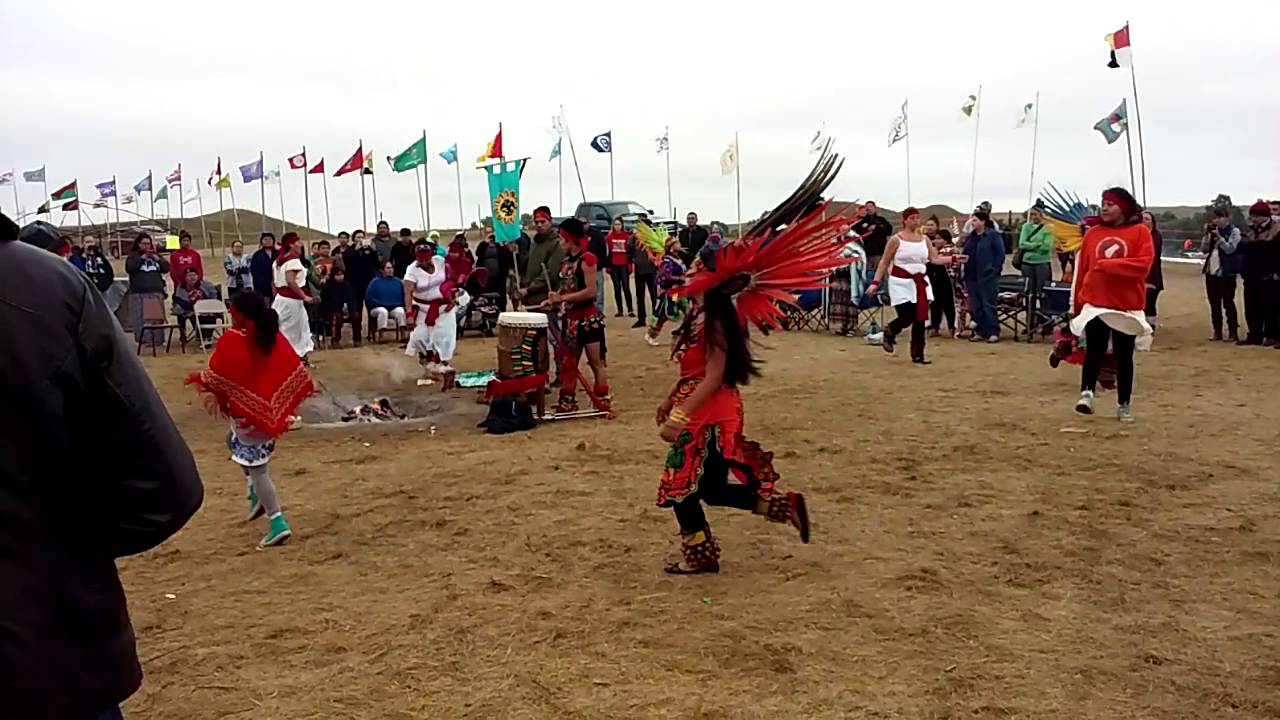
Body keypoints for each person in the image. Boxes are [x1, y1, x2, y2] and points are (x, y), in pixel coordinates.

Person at [1, 211, 202, 718]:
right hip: (47, 651)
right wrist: (62, 546)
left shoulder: (44, 285)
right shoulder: (45, 286)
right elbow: (166, 486)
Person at [653, 205, 849, 575]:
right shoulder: (698, 314)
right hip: (701, 405)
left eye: (697, 266)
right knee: (710, 488)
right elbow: (693, 370)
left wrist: (679, 415)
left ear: (711, 278)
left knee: (681, 485)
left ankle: (700, 555)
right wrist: (669, 398)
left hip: (709, 411)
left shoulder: (715, 319)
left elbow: (713, 376)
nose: (690, 269)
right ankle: (782, 507)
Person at [187, 290, 312, 549]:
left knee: (258, 470)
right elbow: (291, 368)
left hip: (249, 419)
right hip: (268, 416)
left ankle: (277, 522)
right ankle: (255, 491)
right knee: (231, 441)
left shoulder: (234, 340)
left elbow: (214, 376)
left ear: (239, 315)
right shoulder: (271, 335)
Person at [1070, 187, 1154, 422]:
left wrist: (1108, 266)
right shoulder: (1093, 234)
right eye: (1103, 203)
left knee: (1123, 355)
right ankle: (1086, 393)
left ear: (1123, 207)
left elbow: (1142, 266)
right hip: (1096, 301)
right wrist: (1078, 306)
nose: (1104, 208)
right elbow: (1083, 270)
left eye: (1110, 204)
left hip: (1125, 304)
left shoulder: (1140, 232)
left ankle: (1123, 404)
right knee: (1094, 350)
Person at [868, 208, 964, 364]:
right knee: (907, 315)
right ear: (905, 220)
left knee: (920, 318)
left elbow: (934, 259)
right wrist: (875, 282)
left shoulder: (924, 240)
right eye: (912, 218)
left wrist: (953, 259)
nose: (915, 221)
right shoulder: (896, 240)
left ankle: (918, 353)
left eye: (917, 218)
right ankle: (891, 330)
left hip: (920, 282)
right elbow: (884, 261)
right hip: (901, 282)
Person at [545, 218, 609, 413]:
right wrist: (554, 299)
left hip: (588, 319)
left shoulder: (588, 260)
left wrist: (562, 298)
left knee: (596, 363)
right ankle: (567, 401)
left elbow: (591, 292)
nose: (559, 243)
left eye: (561, 239)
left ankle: (602, 400)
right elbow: (566, 288)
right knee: (569, 364)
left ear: (569, 238)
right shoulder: (566, 263)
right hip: (571, 320)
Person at [405, 239, 460, 376]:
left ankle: (442, 362)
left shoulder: (440, 261)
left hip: (444, 307)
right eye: (421, 260)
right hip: (423, 308)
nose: (424, 262)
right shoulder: (411, 270)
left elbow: (454, 275)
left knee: (444, 335)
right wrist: (409, 314)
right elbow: (408, 294)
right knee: (419, 336)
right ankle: (426, 358)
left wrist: (453, 294)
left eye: (427, 259)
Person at [1238, 200, 1280, 346]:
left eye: (1256, 216)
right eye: (1252, 216)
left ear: (1265, 216)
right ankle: (1254, 335)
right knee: (1251, 306)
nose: (1253, 219)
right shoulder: (1249, 230)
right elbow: (1241, 249)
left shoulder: (1276, 230)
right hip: (1251, 275)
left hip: (1269, 275)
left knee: (1270, 307)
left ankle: (1272, 335)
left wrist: (1276, 272)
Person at [270, 232, 316, 360]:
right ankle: (293, 357)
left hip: (281, 299)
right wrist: (304, 296)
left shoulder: (277, 261)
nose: (301, 244)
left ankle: (289, 356)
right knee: (293, 330)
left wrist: (276, 297)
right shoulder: (293, 261)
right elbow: (290, 281)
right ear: (291, 244)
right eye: (298, 242)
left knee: (285, 327)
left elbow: (274, 282)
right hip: (291, 301)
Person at [962, 210, 1005, 343]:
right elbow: (966, 251)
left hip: (987, 276)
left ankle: (993, 331)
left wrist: (994, 270)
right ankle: (980, 331)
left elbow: (1000, 254)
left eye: (975, 220)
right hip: (971, 275)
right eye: (972, 220)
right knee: (976, 305)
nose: (972, 223)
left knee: (988, 304)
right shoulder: (971, 237)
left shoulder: (993, 236)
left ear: (983, 221)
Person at [1201, 207, 1242, 342]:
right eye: (1215, 218)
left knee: (1228, 302)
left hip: (1227, 272)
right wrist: (1207, 236)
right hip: (1211, 271)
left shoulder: (1234, 231)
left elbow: (1230, 249)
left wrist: (1219, 238)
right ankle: (1217, 331)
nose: (1217, 220)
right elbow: (1204, 250)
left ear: (1227, 218)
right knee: (1214, 303)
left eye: (1220, 217)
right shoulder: (1212, 232)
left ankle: (1233, 332)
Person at [124, 232, 170, 346]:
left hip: (155, 290)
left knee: (156, 317)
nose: (147, 246)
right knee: (141, 318)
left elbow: (166, 268)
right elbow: (130, 268)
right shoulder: (133, 256)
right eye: (144, 244)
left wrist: (158, 259)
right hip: (139, 292)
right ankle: (144, 339)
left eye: (148, 244)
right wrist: (142, 258)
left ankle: (158, 339)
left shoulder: (155, 255)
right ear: (138, 244)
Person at [646, 233, 690, 346]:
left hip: (680, 291)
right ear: (671, 247)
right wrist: (680, 278)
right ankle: (651, 334)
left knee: (688, 311)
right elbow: (666, 276)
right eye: (677, 243)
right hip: (671, 292)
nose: (680, 244)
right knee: (664, 314)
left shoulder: (678, 259)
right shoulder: (667, 261)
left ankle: (684, 332)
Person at [519, 206, 564, 309]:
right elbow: (527, 266)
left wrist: (529, 289)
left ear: (550, 221)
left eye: (542, 222)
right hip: (531, 299)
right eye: (536, 222)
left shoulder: (556, 243)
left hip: (546, 300)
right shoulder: (534, 243)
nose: (539, 225)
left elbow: (551, 273)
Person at [1019, 205, 1054, 331]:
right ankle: (1030, 322)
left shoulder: (1048, 228)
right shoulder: (1026, 227)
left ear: (1041, 215)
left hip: (1042, 263)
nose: (1033, 217)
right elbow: (1022, 244)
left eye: (1036, 214)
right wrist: (1036, 244)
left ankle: (1046, 323)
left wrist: (1030, 245)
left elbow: (1046, 246)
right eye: (1031, 214)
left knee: (1043, 293)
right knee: (1029, 294)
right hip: (1027, 264)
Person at [342, 229, 381, 340]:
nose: (360, 239)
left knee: (371, 307)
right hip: (355, 283)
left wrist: (373, 250)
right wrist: (356, 249)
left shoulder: (368, 250)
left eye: (362, 237)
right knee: (357, 308)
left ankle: (372, 332)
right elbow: (348, 262)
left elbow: (376, 263)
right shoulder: (350, 250)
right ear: (353, 239)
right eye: (358, 237)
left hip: (368, 283)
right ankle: (357, 333)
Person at [923, 218, 956, 337]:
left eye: (939, 239)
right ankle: (935, 326)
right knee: (935, 304)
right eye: (935, 239)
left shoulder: (950, 250)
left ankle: (951, 327)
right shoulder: (931, 247)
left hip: (948, 281)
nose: (936, 241)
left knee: (948, 304)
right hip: (934, 279)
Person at [172, 267, 221, 346]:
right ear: (185, 278)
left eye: (194, 275)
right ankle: (199, 337)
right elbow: (178, 300)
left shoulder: (206, 285)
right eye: (189, 275)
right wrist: (193, 307)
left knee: (210, 316)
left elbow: (214, 296)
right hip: (189, 310)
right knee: (187, 315)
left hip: (207, 308)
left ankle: (207, 337)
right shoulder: (181, 287)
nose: (192, 277)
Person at [474, 232, 516, 312]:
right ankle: (487, 312)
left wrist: (502, 244)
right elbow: (477, 253)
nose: (492, 239)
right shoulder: (484, 245)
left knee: (501, 296)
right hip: (486, 277)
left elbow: (506, 256)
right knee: (486, 295)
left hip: (499, 276)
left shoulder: (501, 246)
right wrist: (484, 242)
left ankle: (501, 311)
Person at [320, 266, 361, 346]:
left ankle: (357, 339)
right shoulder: (327, 288)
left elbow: (353, 300)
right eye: (337, 275)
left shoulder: (348, 287)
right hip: (332, 311)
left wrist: (351, 309)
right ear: (333, 276)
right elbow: (326, 304)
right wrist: (339, 309)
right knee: (337, 316)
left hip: (347, 310)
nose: (340, 277)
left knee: (356, 316)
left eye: (342, 274)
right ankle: (335, 340)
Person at [365, 260, 407, 338]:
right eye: (388, 268)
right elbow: (369, 297)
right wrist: (381, 303)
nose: (390, 270)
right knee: (383, 311)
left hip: (394, 307)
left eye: (391, 268)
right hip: (377, 308)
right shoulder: (375, 282)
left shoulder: (398, 281)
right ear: (382, 270)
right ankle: (381, 336)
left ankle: (403, 334)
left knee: (400, 311)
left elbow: (404, 296)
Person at [603, 216, 635, 318]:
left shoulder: (626, 236)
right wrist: (608, 266)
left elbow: (630, 253)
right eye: (615, 224)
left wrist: (630, 266)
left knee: (626, 287)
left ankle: (630, 309)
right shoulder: (609, 238)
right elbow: (607, 253)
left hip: (624, 265)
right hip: (614, 266)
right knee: (617, 288)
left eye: (619, 224)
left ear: (622, 225)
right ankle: (619, 310)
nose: (617, 226)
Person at [851, 200, 894, 270]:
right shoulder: (860, 221)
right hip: (867, 254)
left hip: (880, 253)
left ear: (874, 208)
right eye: (867, 207)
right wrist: (857, 216)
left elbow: (889, 231)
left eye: (870, 206)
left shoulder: (881, 220)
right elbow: (853, 230)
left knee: (882, 273)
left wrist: (876, 228)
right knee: (868, 273)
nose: (869, 208)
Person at [631, 225, 659, 329]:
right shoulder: (634, 238)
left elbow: (659, 250)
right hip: (639, 269)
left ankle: (656, 318)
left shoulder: (653, 238)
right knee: (640, 296)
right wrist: (633, 259)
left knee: (654, 295)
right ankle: (641, 319)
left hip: (651, 270)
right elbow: (629, 249)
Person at [1142, 211, 1165, 327]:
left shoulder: (1156, 235)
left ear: (1152, 222)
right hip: (1140, 274)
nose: (1144, 221)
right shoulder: (1137, 234)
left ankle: (1151, 327)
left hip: (1153, 274)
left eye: (1147, 219)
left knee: (1150, 303)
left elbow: (1153, 255)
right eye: (1142, 218)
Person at [585, 215, 609, 315]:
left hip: (597, 267)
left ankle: (599, 312)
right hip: (584, 269)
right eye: (580, 223)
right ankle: (589, 311)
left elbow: (603, 249)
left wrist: (600, 264)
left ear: (588, 223)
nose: (583, 225)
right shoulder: (578, 236)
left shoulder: (596, 234)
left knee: (599, 291)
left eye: (584, 223)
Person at [250, 232, 277, 298]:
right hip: (263, 287)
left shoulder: (278, 253)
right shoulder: (257, 255)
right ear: (261, 241)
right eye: (265, 239)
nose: (268, 241)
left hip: (277, 285)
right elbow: (254, 272)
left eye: (270, 239)